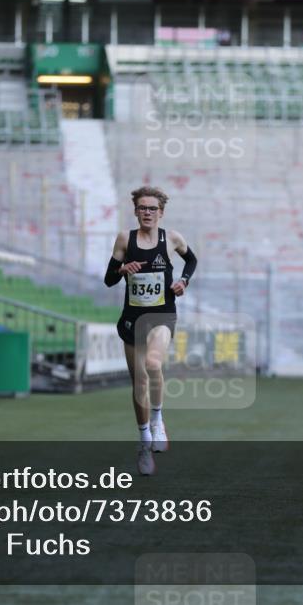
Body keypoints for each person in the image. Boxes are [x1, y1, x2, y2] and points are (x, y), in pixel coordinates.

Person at [104, 186, 197, 476]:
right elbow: (108, 279)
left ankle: (158, 421)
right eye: (142, 208)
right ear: (135, 211)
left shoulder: (172, 239)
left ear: (161, 212)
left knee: (153, 364)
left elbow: (191, 260)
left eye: (152, 209)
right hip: (132, 319)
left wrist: (183, 281)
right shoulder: (124, 239)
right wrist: (121, 271)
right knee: (139, 384)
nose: (147, 213)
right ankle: (144, 441)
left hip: (162, 315)